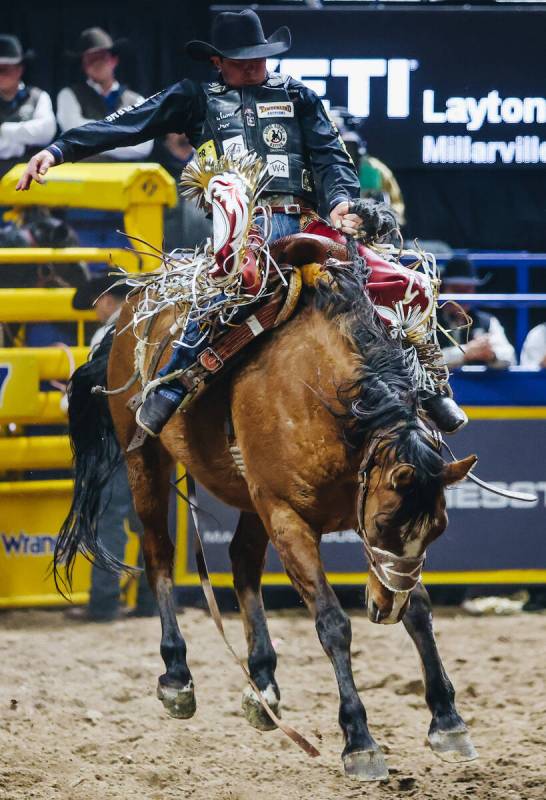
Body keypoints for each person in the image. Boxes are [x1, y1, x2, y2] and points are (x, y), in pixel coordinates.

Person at [15, 8, 466, 436]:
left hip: (308, 218)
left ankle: (425, 380)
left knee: (396, 280)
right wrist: (59, 150)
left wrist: (342, 202)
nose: (254, 68)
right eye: (242, 61)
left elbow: (331, 157)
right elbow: (130, 122)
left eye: (259, 59)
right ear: (218, 61)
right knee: (233, 284)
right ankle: (174, 382)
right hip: (244, 223)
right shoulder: (195, 98)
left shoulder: (299, 97)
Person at [66, 275, 157, 621]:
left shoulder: (108, 334)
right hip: (148, 431)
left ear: (106, 300)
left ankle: (104, 602)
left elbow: (97, 389)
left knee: (108, 516)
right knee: (148, 517)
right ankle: (151, 600)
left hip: (112, 434)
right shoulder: (148, 324)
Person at [56, 27, 152, 162]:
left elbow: (144, 146)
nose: (96, 62)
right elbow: (74, 134)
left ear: (114, 60)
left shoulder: (137, 100)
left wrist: (94, 137)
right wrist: (126, 134)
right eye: (90, 58)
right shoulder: (68, 95)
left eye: (101, 56)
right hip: (86, 175)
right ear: (83, 65)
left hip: (126, 179)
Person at [439, 257, 516, 369]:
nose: (462, 296)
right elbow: (422, 362)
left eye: (468, 289)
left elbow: (510, 357)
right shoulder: (428, 321)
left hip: (480, 386)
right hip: (437, 386)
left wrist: (492, 355)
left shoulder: (486, 321)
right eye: (456, 289)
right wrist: (465, 352)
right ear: (443, 290)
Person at [0, 35, 56, 178]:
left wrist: (4, 130)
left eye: (5, 69)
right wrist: (22, 143)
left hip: (29, 174)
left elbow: (47, 132)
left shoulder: (38, 96)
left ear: (19, 69)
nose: (1, 74)